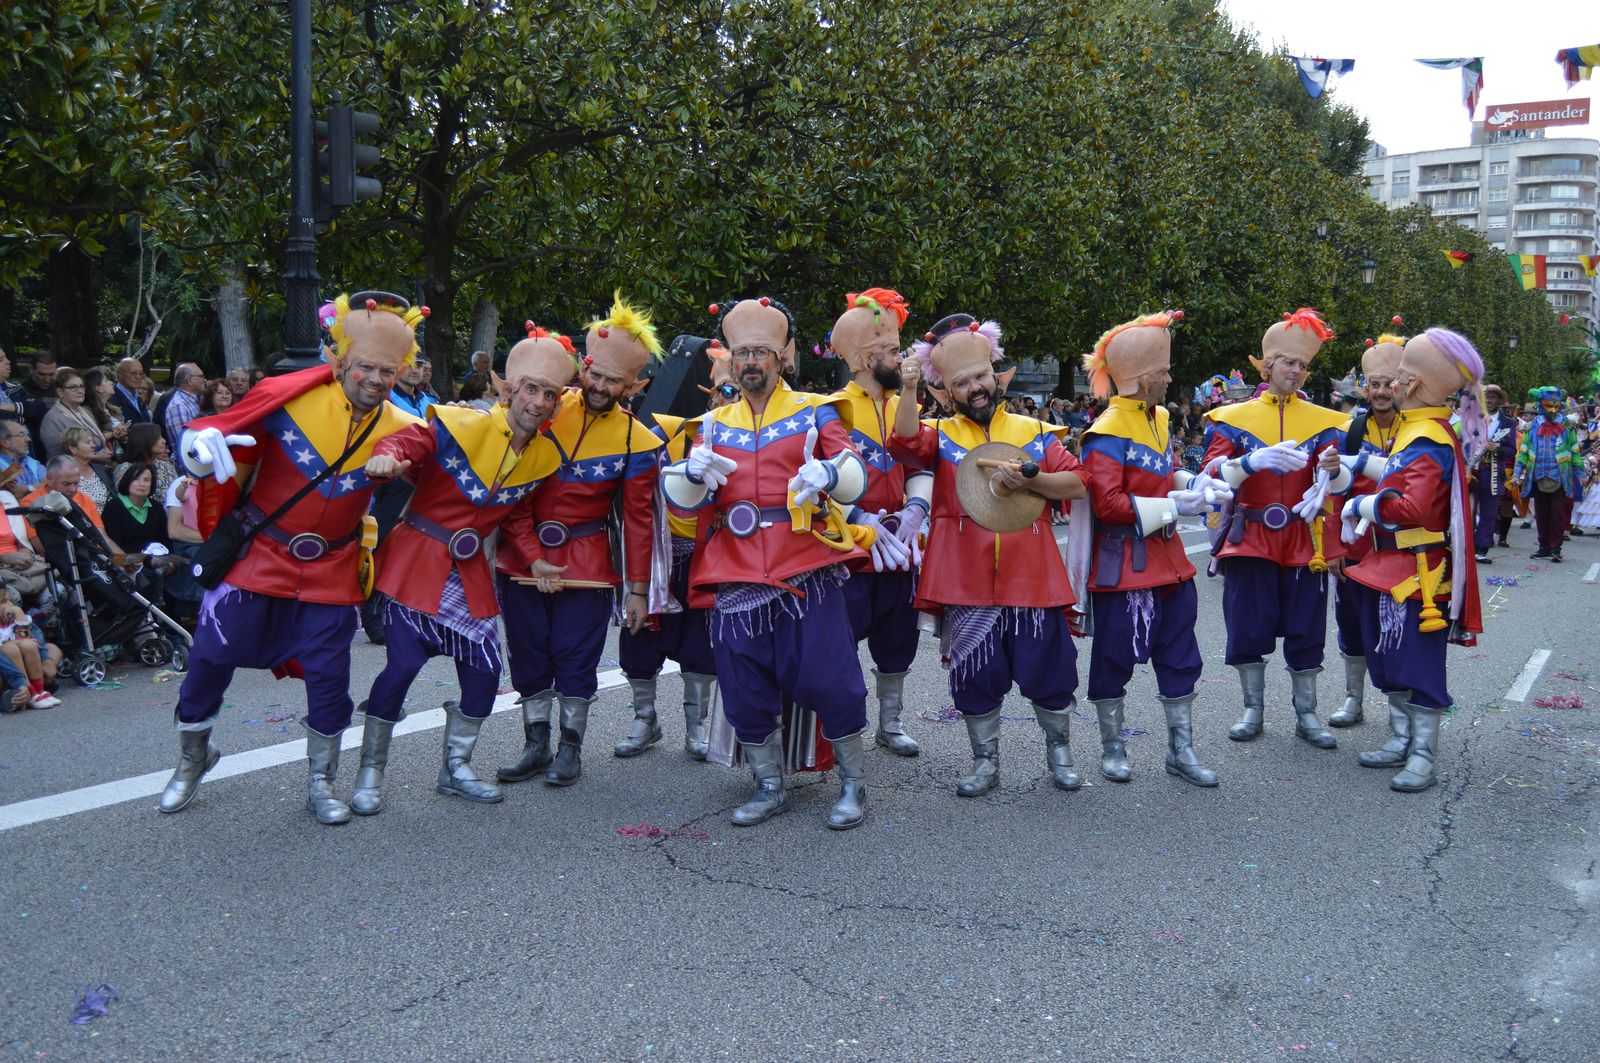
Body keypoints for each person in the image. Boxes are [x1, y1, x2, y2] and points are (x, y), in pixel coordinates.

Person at [156, 292, 425, 824]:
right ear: (340, 360)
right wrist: (200, 452)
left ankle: (321, 781)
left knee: (329, 676)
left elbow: (434, 460)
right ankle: (193, 756)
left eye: (387, 370)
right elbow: (216, 431)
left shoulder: (401, 424)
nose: (375, 379)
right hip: (259, 553)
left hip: (333, 566)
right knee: (210, 654)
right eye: (366, 366)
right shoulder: (288, 397)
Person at [663, 295, 878, 829]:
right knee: (743, 682)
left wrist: (831, 474)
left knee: (831, 678)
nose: (751, 362)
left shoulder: (815, 409)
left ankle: (853, 783)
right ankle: (768, 784)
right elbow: (680, 501)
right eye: (743, 353)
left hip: (806, 566)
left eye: (761, 351)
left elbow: (853, 468)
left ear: (783, 356)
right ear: (730, 360)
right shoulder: (710, 424)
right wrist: (690, 474)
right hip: (734, 571)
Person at [354, 327, 568, 812]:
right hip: (417, 562)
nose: (538, 402)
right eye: (531, 389)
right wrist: (387, 456)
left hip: (468, 571)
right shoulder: (462, 423)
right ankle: (369, 774)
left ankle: (455, 768)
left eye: (549, 395)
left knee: (485, 672)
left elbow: (515, 515)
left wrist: (535, 559)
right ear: (509, 390)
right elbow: (410, 440)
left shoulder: (541, 456)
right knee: (403, 666)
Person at [891, 313, 1089, 797]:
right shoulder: (939, 434)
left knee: (1051, 668)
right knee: (975, 673)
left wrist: (1032, 481)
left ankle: (1060, 755)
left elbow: (1079, 483)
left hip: (1033, 576)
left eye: (980, 377)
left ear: (997, 377)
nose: (975, 388)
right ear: (947, 392)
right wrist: (909, 389)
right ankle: (985, 761)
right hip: (965, 578)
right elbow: (903, 444)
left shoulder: (1035, 429)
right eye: (961, 382)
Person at [494, 294, 663, 789]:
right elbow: (512, 488)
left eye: (614, 381)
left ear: (634, 386)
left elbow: (637, 520)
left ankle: (570, 748)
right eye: (596, 375)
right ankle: (534, 745)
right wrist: (531, 556)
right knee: (527, 651)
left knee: (575, 653)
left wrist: (637, 591)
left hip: (587, 565)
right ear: (583, 368)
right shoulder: (544, 406)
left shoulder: (638, 441)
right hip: (521, 554)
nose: (601, 387)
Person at [1078, 311, 1228, 787]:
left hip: (1170, 562)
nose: (1168, 379)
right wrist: (1173, 505)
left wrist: (1193, 482)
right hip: (1124, 564)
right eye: (1163, 372)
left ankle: (1181, 750)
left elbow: (1164, 471)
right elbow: (1107, 504)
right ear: (1142, 378)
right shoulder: (1106, 431)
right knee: (1113, 657)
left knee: (1182, 655)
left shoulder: (1158, 416)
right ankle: (1112, 746)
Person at [1339, 329, 1486, 792]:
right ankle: (1402, 738)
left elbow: (1413, 508)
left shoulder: (1426, 436)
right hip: (1392, 564)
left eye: (1400, 374)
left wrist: (1362, 504)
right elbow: (1400, 476)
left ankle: (1422, 755)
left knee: (1416, 664)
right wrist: (1359, 466)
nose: (1394, 381)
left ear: (1416, 384)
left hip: (1415, 571)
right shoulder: (1420, 429)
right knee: (1389, 657)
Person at [1204, 308, 1345, 750]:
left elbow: (1339, 481)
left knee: (1307, 629)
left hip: (1304, 540)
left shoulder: (1325, 421)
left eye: (1302, 364)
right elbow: (1209, 474)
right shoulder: (1232, 417)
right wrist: (1247, 463)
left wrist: (1332, 470)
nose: (1296, 370)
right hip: (1250, 537)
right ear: (1267, 366)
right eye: (1288, 362)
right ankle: (1253, 709)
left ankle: (1307, 713)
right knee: (1247, 626)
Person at [614, 347, 736, 762]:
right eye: (725, 390)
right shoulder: (669, 434)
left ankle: (695, 725)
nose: (730, 399)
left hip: (711, 561)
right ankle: (644, 719)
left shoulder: (752, 444)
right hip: (659, 559)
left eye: (738, 392)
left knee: (702, 646)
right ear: (711, 395)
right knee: (639, 636)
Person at [826, 288, 929, 757]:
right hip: (848, 547)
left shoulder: (905, 406)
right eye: (891, 350)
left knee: (899, 639)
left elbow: (919, 465)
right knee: (840, 642)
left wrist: (916, 509)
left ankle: (891, 722)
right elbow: (822, 479)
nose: (901, 358)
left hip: (900, 545)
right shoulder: (830, 408)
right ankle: (844, 727)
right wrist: (860, 517)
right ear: (867, 358)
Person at [1324, 328, 1406, 731]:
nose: (1382, 392)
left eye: (1389, 383)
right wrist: (1333, 547)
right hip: (1355, 548)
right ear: (1365, 388)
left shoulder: (1416, 427)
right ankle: (1353, 701)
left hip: (1402, 548)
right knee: (1352, 625)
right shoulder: (1349, 431)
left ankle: (1401, 713)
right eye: (1375, 384)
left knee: (1398, 629)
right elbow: (1332, 492)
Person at [1513, 386, 1578, 563]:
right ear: (1541, 404)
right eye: (1548, 405)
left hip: (1560, 477)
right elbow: (1523, 452)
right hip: (1538, 476)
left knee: (1557, 514)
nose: (1552, 410)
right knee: (1541, 514)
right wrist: (1517, 474)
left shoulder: (1567, 425)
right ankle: (1544, 547)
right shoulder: (1532, 426)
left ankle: (1556, 549)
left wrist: (1580, 472)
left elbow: (1574, 449)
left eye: (1555, 405)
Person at [1471, 384, 1518, 564]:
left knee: (1489, 512)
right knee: (1468, 510)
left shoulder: (1508, 423)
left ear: (1500, 401)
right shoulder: (1472, 418)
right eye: (1486, 397)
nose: (1488, 401)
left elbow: (1512, 451)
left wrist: (1497, 448)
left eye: (1492, 397)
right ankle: (1467, 547)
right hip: (1471, 472)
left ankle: (1481, 548)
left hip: (1493, 473)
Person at [40, 369, 112, 464]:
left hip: (98, 465)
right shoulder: (52, 419)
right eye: (73, 387)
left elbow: (96, 438)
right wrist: (94, 457)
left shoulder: (86, 411)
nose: (80, 391)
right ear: (60, 392)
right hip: (71, 469)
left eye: (82, 386)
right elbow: (57, 455)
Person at [0, 600, 59, 709]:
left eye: (8, 600)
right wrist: (14, 642)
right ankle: (28, 691)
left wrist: (18, 613)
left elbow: (27, 637)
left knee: (29, 645)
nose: (8, 606)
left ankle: (39, 690)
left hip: (23, 660)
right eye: (2, 602)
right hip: (7, 665)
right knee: (11, 649)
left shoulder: (11, 621)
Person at [113, 421, 180, 502]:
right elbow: (124, 501)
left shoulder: (167, 466)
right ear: (145, 440)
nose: (164, 441)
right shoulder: (125, 469)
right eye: (158, 438)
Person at [57, 426, 114, 510]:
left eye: (93, 442)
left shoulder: (101, 469)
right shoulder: (63, 476)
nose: (93, 445)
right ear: (73, 449)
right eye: (88, 442)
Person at [160, 363, 205, 456]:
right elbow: (185, 445)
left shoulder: (194, 400)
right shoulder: (179, 407)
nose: (204, 380)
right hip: (189, 462)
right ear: (190, 380)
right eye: (201, 376)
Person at [0, 421, 47, 490]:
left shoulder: (33, 463)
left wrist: (28, 488)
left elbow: (50, 484)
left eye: (27, 435)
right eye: (21, 434)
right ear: (5, 442)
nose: (28, 439)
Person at [386, 353, 434, 419]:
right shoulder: (387, 399)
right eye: (409, 366)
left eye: (418, 366)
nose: (415, 371)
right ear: (397, 368)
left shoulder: (424, 398)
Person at [111, 358, 153, 424]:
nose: (138, 377)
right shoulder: (111, 397)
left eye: (141, 373)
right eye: (133, 373)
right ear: (120, 374)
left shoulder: (138, 398)